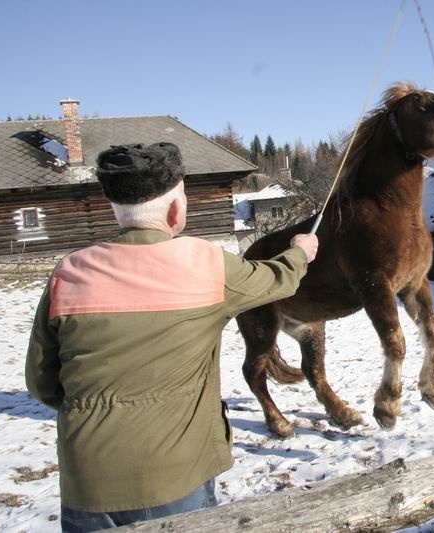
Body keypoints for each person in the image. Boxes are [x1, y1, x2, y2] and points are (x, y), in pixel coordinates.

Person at [25, 142, 318, 532]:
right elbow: (277, 280)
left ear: (114, 207)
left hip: (85, 482)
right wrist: (300, 252)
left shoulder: (69, 272)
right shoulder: (205, 263)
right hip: (173, 478)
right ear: (176, 210)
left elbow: (42, 382)